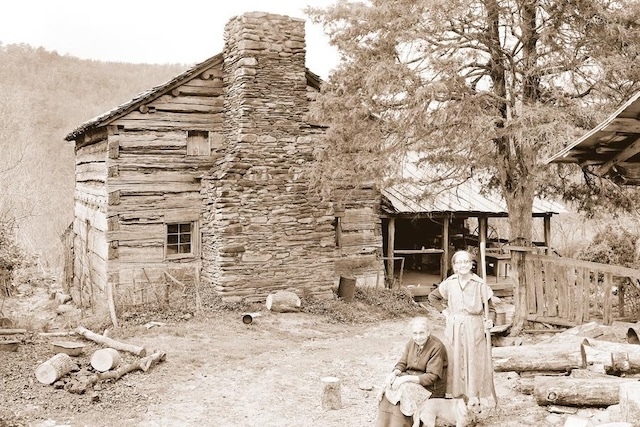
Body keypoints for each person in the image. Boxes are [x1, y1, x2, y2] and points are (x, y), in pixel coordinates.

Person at [428, 249, 496, 407]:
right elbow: (433, 297)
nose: (463, 265)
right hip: (455, 326)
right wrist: (445, 313)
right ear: (454, 266)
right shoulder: (450, 283)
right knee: (455, 359)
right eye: (459, 262)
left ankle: (475, 396)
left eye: (466, 261)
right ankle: (457, 397)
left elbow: (491, 309)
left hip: (475, 326)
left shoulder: (480, 284)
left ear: (471, 264)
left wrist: (490, 322)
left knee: (474, 360)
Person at [375, 316, 448, 427]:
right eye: (415, 333)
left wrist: (405, 379)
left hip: (431, 388)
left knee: (403, 391)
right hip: (412, 379)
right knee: (390, 387)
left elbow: (431, 377)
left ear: (428, 332)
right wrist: (394, 373)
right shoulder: (411, 342)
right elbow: (402, 363)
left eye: (421, 333)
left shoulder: (437, 347)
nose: (418, 337)